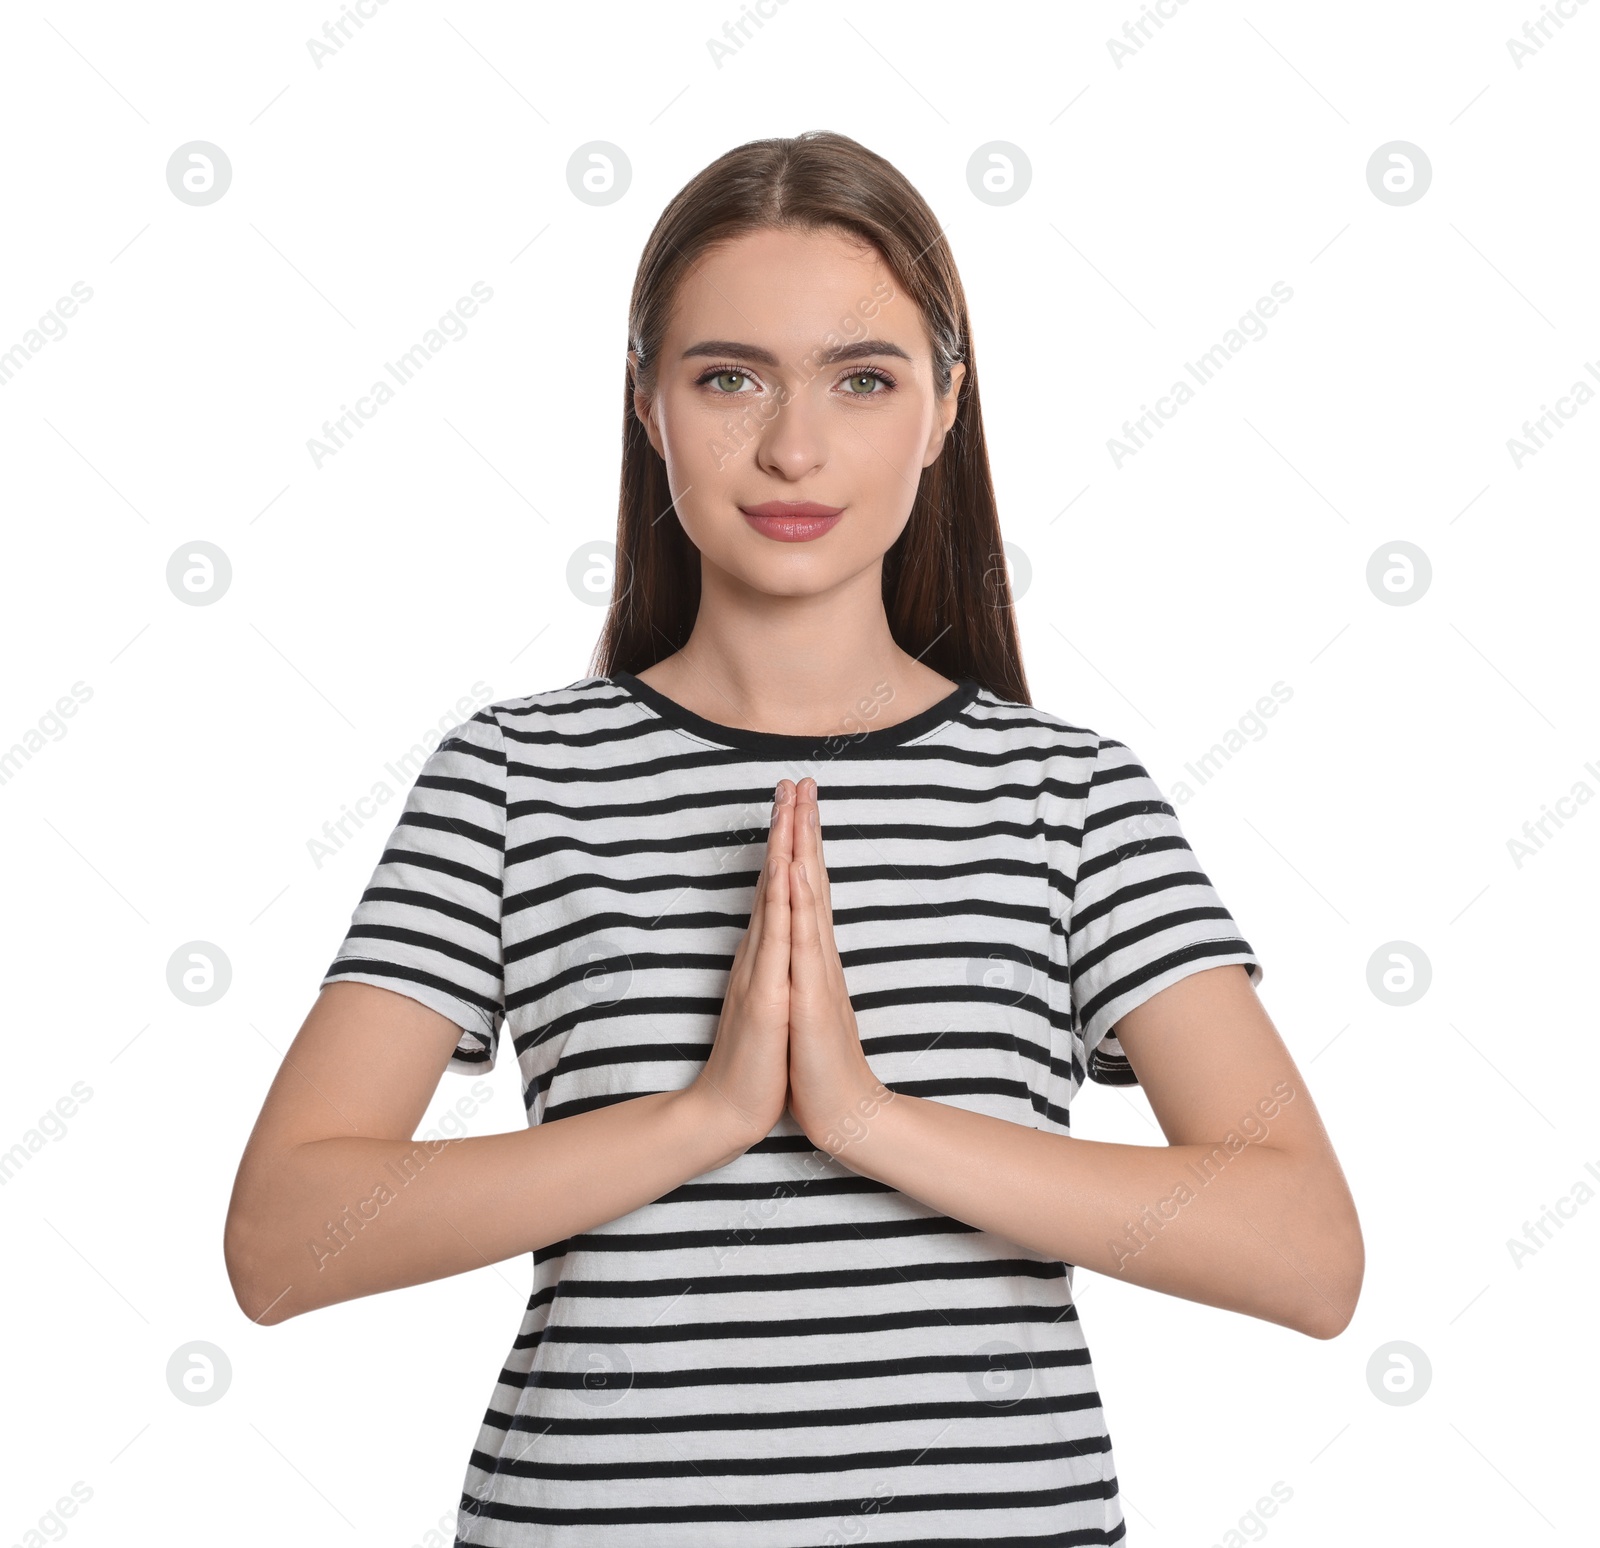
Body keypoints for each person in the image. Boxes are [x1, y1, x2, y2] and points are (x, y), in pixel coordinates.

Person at [224, 129, 1363, 1547]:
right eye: (728, 378)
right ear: (647, 403)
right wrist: (701, 1118)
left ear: (945, 410)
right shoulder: (514, 777)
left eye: (863, 379)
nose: (793, 447)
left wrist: (870, 1121)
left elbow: (1307, 1255)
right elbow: (280, 1241)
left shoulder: (1069, 796)